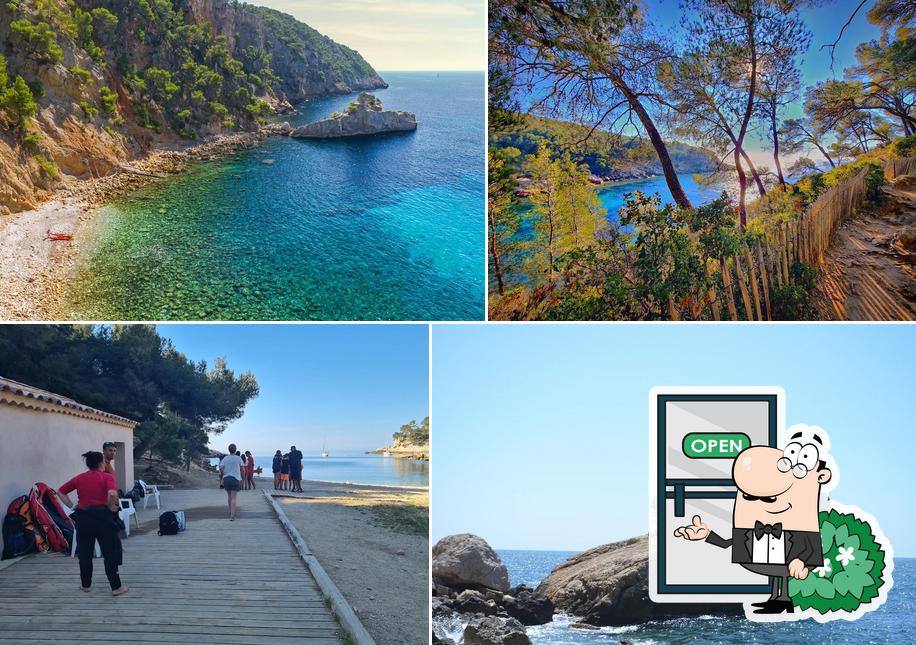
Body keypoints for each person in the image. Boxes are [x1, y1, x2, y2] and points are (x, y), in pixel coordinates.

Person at [674, 428, 832, 615]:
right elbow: (727, 544)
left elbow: (810, 549)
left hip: (789, 561)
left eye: (770, 498)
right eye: (749, 496)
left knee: (782, 573)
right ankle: (777, 599)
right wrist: (707, 535)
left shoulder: (802, 529)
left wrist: (802, 562)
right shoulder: (750, 531)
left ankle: (784, 599)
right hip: (766, 558)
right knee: (776, 574)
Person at [56, 451, 128, 596]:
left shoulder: (79, 478)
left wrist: (72, 507)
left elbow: (60, 492)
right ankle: (116, 587)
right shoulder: (107, 477)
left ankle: (86, 585)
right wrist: (109, 505)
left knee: (85, 553)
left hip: (84, 519)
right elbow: (112, 494)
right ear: (101, 463)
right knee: (109, 553)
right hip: (103, 519)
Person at [219, 444, 243, 520]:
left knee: (229, 497)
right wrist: (242, 478)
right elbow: (242, 469)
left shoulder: (225, 458)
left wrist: (223, 476)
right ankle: (232, 516)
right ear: (235, 450)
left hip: (227, 478)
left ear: (229, 450)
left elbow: (221, 468)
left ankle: (230, 512)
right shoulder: (238, 458)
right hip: (235, 478)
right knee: (234, 498)